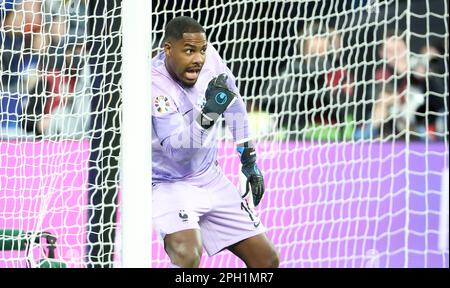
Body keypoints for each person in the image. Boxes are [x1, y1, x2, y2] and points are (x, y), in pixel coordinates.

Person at [151, 16, 279, 268]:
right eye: (188, 51)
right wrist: (207, 117)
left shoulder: (209, 58)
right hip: (168, 184)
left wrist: (248, 159)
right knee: (188, 257)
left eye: (201, 50)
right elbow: (178, 153)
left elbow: (233, 100)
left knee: (266, 261)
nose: (198, 58)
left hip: (211, 177)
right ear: (168, 49)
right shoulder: (155, 86)